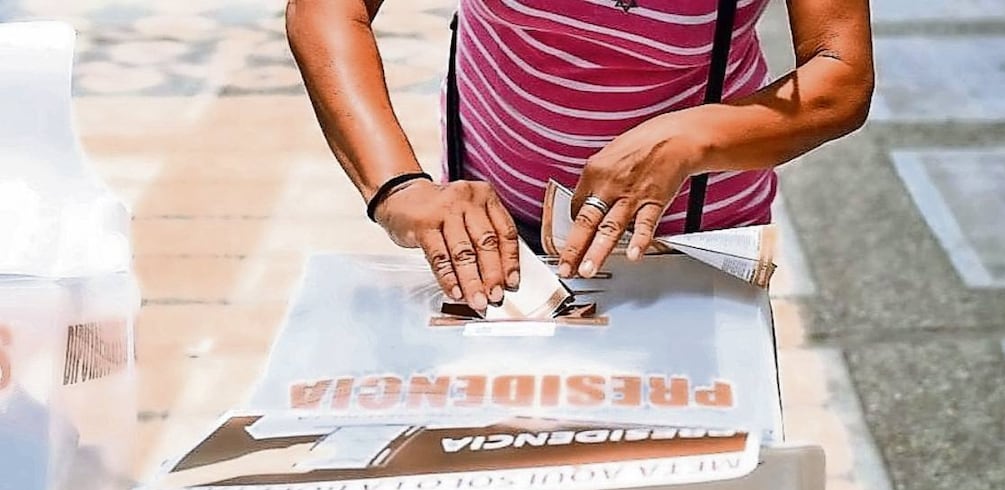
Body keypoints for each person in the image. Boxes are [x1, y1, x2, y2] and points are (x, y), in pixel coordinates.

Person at [286, 0, 873, 313]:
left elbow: (839, 78)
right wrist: (396, 187)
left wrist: (696, 135)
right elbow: (326, 9)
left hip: (687, 238)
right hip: (496, 221)